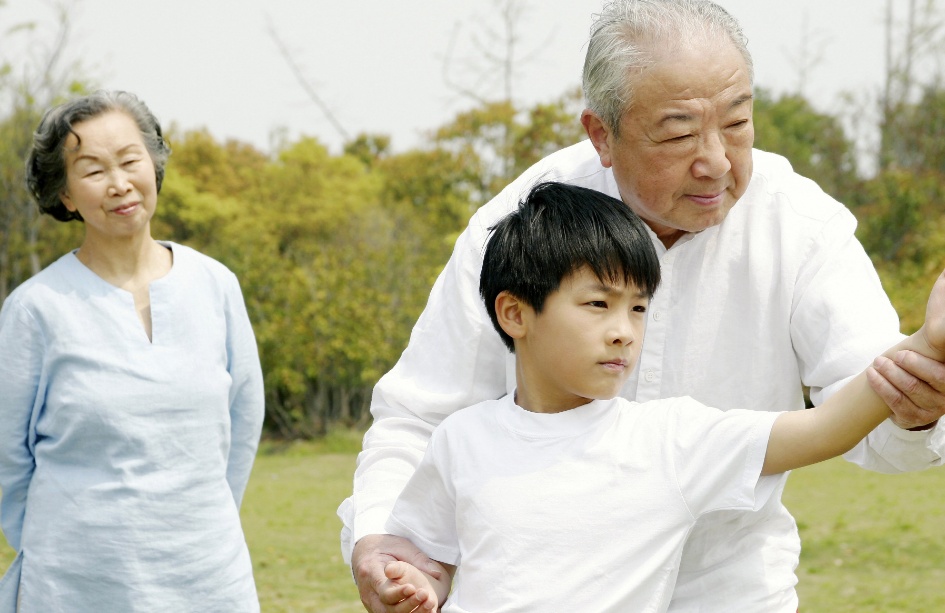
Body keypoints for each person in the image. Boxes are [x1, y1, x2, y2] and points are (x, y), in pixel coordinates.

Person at [339, 1, 945, 610]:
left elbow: (864, 412)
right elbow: (420, 418)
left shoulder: (803, 227)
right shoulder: (517, 227)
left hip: (729, 589)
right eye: (679, 134)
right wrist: (384, 545)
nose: (715, 161)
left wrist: (919, 389)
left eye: (737, 124)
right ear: (602, 134)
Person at [372, 181, 945, 612]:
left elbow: (828, 427)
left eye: (639, 308)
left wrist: (927, 341)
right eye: (598, 305)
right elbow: (430, 558)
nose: (624, 330)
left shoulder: (669, 441)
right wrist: (417, 586)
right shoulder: (460, 441)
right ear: (515, 313)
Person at [0, 90, 265, 611]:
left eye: (129, 160)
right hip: (75, 584)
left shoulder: (215, 284)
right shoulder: (35, 309)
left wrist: (197, 520)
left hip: (208, 577)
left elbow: (243, 417)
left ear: (154, 164)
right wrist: (62, 543)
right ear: (67, 194)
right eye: (93, 170)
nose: (119, 183)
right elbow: (7, 457)